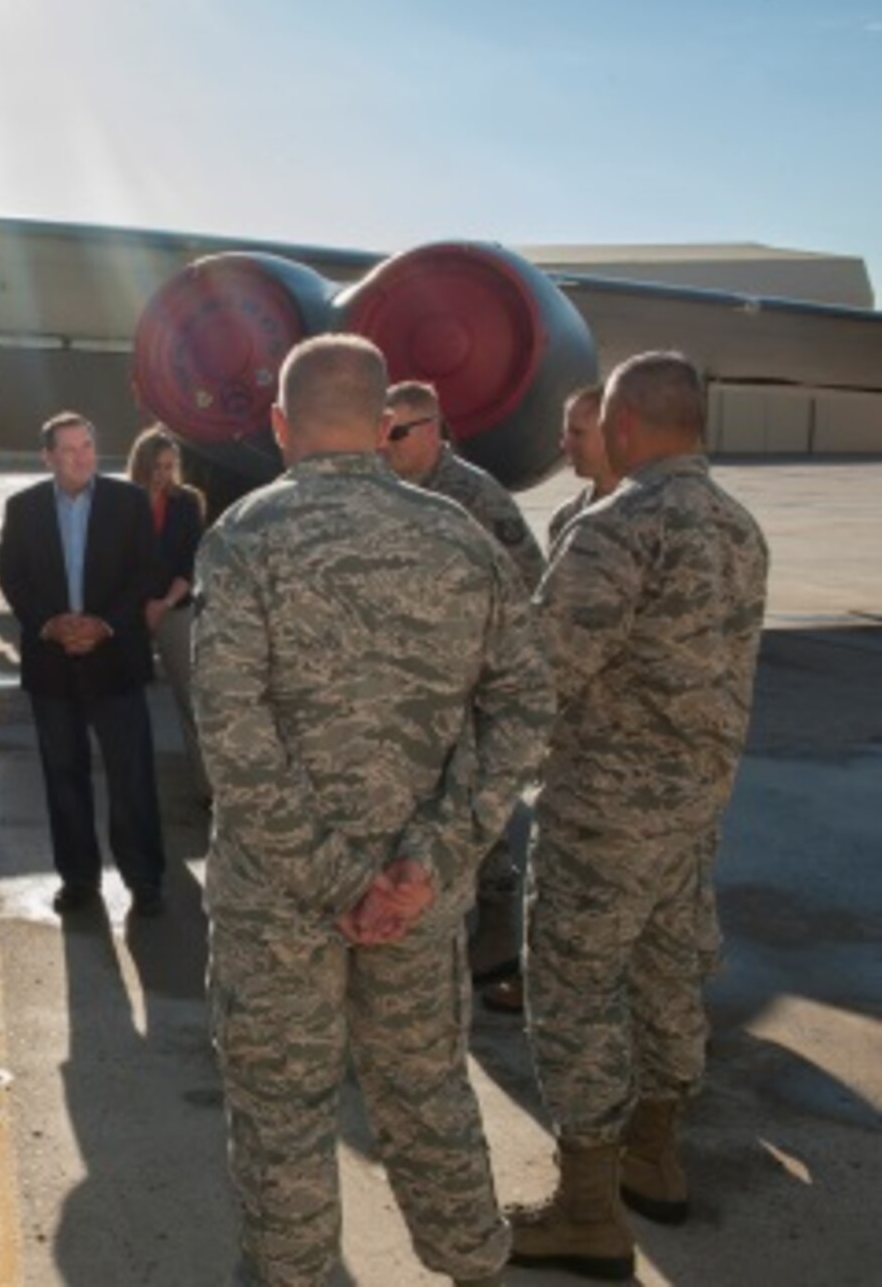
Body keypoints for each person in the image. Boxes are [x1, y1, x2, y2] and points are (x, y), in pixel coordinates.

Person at [196, 335, 553, 1287]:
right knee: (429, 1097)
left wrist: (335, 879)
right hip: (417, 902)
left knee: (284, 1121)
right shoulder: (460, 537)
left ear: (281, 425)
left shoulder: (244, 538)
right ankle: (476, 1266)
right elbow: (525, 704)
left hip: (283, 904)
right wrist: (430, 859)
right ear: (385, 424)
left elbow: (230, 733)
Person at [508, 352, 768, 1280]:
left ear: (623, 428)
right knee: (666, 979)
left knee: (575, 994)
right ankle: (656, 1156)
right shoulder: (740, 528)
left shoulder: (619, 528)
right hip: (694, 810)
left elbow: (541, 673)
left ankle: (585, 1212)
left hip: (604, 818)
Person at [381, 379, 548, 987]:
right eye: (382, 430)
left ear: (434, 429)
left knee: (481, 818)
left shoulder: (475, 497)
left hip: (467, 690)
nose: (387, 443)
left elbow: (528, 585)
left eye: (398, 431)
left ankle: (500, 937)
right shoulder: (392, 495)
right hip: (410, 696)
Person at [481, 382, 621, 1017]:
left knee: (631, 895)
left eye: (578, 433)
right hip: (572, 746)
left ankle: (642, 1023)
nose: (563, 446)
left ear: (621, 432)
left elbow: (557, 648)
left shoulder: (645, 524)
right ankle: (543, 982)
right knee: (561, 886)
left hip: (624, 747)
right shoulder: (573, 517)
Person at [0, 412, 167, 918]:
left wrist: (103, 625)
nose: (80, 457)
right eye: (67, 450)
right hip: (52, 664)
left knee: (131, 777)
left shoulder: (128, 502)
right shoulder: (23, 508)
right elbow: (11, 574)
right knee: (63, 777)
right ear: (47, 457)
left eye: (87, 446)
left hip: (115, 660)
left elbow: (146, 572)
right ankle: (78, 880)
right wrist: (48, 624)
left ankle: (145, 880)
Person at [127, 425, 209, 805]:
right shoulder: (122, 502)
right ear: (141, 467)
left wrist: (163, 603)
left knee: (191, 697)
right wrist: (139, 606)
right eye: (157, 466)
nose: (164, 473)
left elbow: (191, 560)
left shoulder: (187, 502)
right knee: (124, 700)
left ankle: (207, 789)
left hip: (175, 606)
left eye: (170, 466)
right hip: (129, 609)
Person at [547, 384, 621, 552]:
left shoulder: (657, 512)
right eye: (566, 434)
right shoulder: (565, 518)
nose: (564, 444)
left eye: (578, 433)